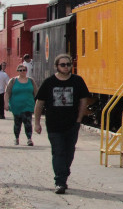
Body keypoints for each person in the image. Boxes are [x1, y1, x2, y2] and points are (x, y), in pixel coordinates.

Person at [33, 54, 90, 194]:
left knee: (69, 153)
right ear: (56, 66)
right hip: (54, 125)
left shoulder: (77, 81)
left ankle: (63, 174)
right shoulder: (49, 82)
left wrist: (78, 119)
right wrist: (37, 123)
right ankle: (60, 182)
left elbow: (84, 101)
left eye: (68, 64)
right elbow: (39, 103)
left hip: (72, 124)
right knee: (58, 152)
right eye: (63, 65)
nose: (66, 67)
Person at [6, 64, 37, 145]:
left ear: (26, 71)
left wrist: (38, 103)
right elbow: (7, 93)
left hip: (28, 105)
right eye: (20, 70)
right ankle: (16, 138)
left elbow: (36, 93)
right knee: (17, 123)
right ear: (18, 71)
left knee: (28, 122)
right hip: (16, 106)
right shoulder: (13, 81)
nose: (22, 72)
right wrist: (6, 103)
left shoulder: (31, 81)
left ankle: (29, 139)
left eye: (24, 70)